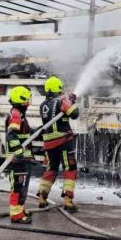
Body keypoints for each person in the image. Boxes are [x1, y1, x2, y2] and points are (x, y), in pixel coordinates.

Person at [38, 76, 80, 212]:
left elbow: (57, 116)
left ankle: (42, 197)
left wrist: (69, 102)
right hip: (63, 141)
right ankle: (68, 200)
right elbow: (75, 114)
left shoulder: (43, 105)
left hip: (49, 142)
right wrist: (71, 102)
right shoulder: (61, 100)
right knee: (70, 168)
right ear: (58, 89)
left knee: (51, 168)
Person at [6, 86, 35, 224]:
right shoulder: (16, 115)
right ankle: (16, 215)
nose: (29, 103)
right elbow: (11, 135)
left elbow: (23, 134)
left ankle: (20, 209)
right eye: (27, 99)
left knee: (22, 186)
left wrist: (37, 131)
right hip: (18, 160)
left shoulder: (19, 115)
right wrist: (19, 153)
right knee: (18, 186)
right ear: (21, 100)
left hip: (22, 159)